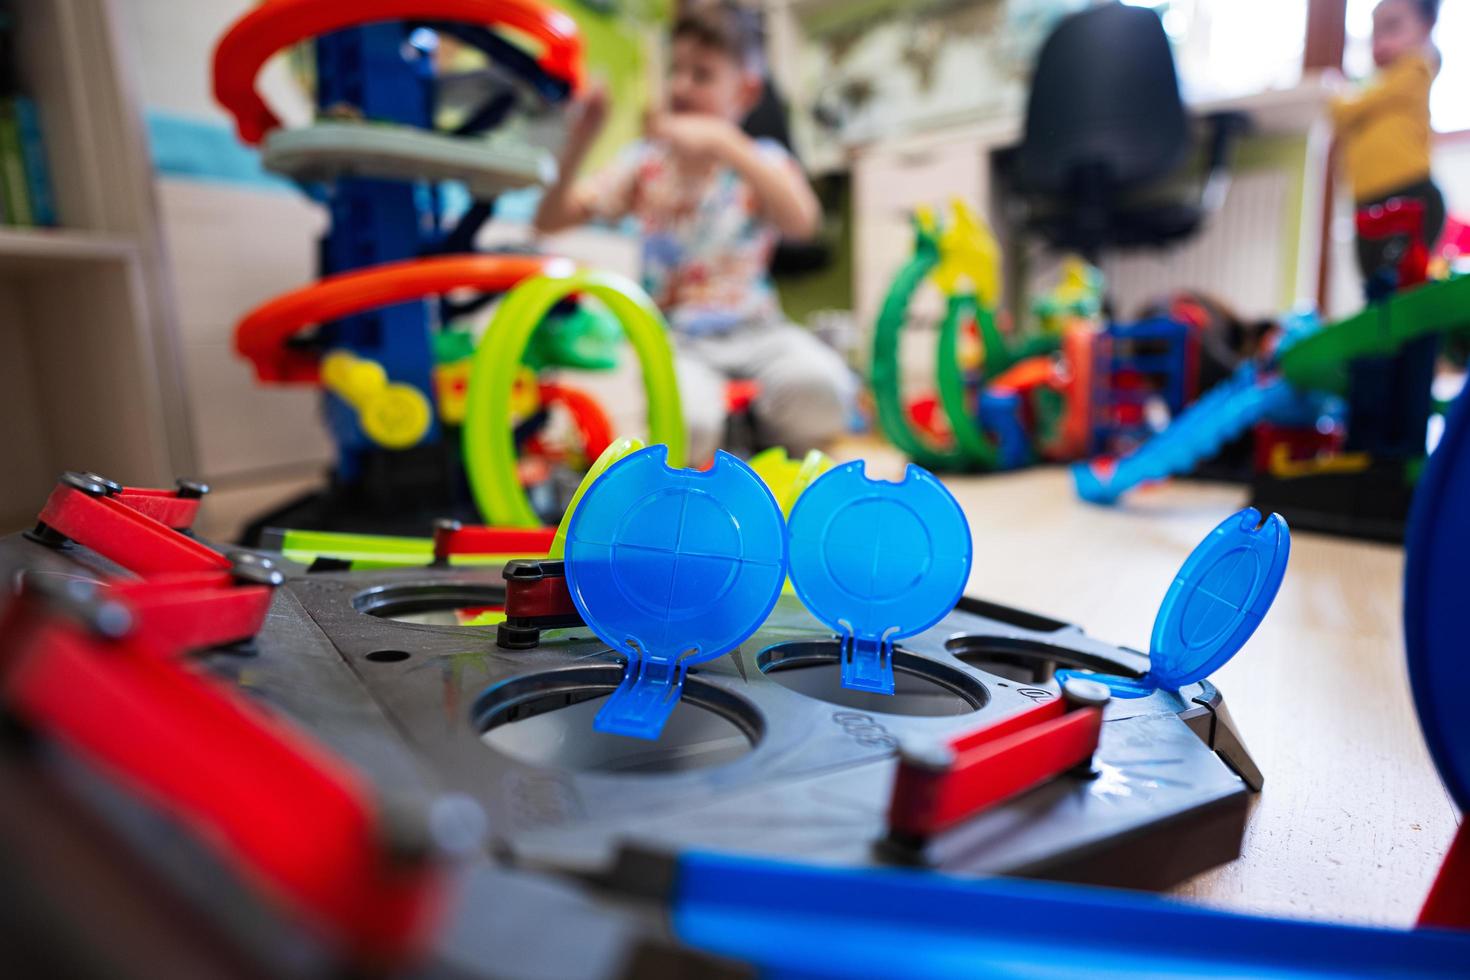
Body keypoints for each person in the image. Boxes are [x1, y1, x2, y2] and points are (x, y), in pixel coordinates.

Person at [533, 2, 855, 463]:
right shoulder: (644, 161)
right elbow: (548, 220)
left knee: (825, 391)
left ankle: (760, 438)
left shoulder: (761, 158)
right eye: (675, 71)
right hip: (680, 342)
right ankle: (729, 449)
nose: (681, 86)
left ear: (745, 92)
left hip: (761, 331)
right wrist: (580, 141)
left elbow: (804, 224)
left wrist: (726, 144)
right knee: (689, 428)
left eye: (701, 75)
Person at [1330, 0, 1445, 289]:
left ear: (1425, 28)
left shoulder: (1416, 69)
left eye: (1392, 27)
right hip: (1367, 206)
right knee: (1375, 287)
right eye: (1375, 34)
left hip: (1410, 197)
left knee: (1401, 285)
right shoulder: (1373, 85)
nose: (1380, 41)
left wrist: (1339, 101)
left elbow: (1345, 111)